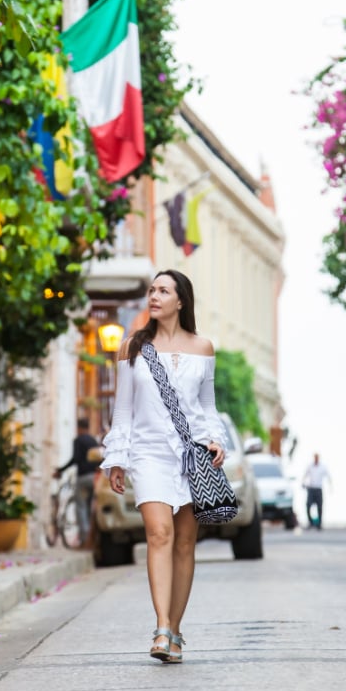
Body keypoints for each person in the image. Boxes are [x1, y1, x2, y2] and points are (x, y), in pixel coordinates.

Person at [100, 269, 227, 664]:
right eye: (152, 290)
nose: (154, 296)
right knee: (159, 533)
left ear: (180, 301)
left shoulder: (203, 348)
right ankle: (160, 627)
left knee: (186, 543)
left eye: (163, 290)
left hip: (192, 455)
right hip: (149, 453)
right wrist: (117, 457)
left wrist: (216, 440)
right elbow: (122, 410)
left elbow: (207, 407)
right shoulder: (132, 348)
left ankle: (175, 630)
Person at [55, 418, 99, 548]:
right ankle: (93, 538)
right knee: (90, 506)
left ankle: (84, 538)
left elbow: (75, 459)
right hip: (94, 477)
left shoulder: (78, 440)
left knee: (80, 506)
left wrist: (60, 470)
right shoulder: (93, 440)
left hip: (83, 477)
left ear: (79, 428)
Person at [303, 453, 331, 529]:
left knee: (320, 506)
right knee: (308, 505)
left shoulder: (322, 467)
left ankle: (319, 524)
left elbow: (328, 476)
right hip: (311, 488)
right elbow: (305, 475)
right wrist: (303, 483)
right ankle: (310, 522)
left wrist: (330, 487)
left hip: (318, 488)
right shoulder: (310, 466)